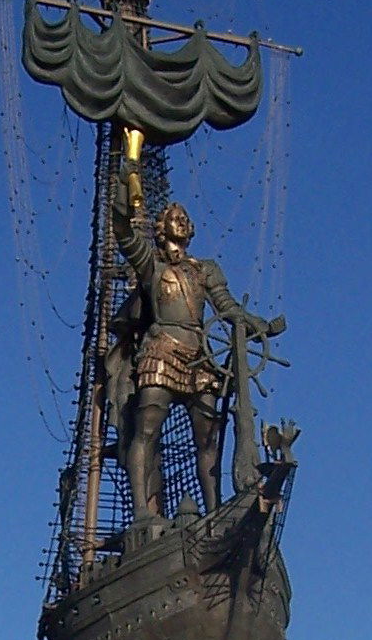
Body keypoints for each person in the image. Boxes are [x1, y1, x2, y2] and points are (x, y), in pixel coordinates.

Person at [110, 171, 271, 518]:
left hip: (199, 357)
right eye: (174, 219)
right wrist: (125, 194)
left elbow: (227, 308)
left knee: (208, 439)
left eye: (185, 219)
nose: (181, 222)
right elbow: (123, 233)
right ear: (162, 227)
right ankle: (142, 512)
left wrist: (256, 325)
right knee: (147, 430)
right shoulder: (150, 264)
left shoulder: (204, 270)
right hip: (161, 351)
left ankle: (213, 512)